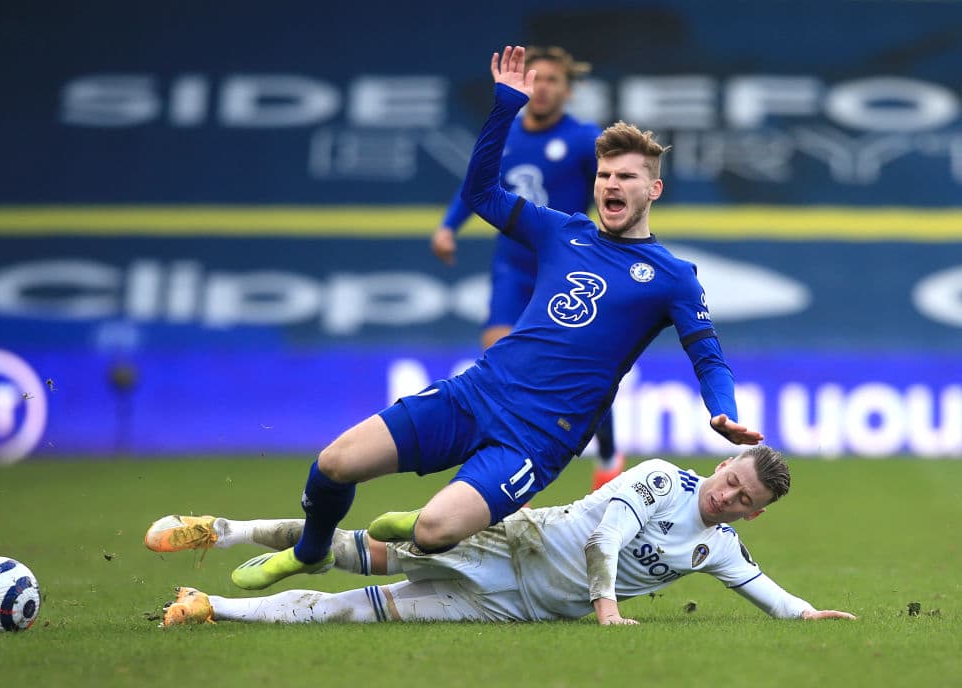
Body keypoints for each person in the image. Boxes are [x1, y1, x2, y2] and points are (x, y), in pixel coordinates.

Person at [221, 45, 763, 594]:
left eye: (626, 177)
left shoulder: (672, 275)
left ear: (654, 189)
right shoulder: (560, 230)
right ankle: (312, 552)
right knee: (335, 461)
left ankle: (425, 523)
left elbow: (708, 357)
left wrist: (722, 413)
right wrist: (505, 106)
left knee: (433, 531)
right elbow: (481, 193)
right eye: (603, 176)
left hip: (536, 437)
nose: (611, 186)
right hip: (476, 393)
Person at [146, 446, 856, 626]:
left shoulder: (721, 545)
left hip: (519, 606)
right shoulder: (665, 479)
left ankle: (210, 605)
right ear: (725, 462)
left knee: (362, 609)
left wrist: (807, 614)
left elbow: (767, 591)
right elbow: (606, 537)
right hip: (517, 541)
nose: (729, 493)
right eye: (734, 478)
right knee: (354, 550)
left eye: (744, 499)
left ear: (752, 512)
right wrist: (607, 606)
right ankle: (225, 528)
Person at [432, 46, 623, 489]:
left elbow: (614, 189)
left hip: (565, 271)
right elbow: (474, 186)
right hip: (513, 270)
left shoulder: (582, 140)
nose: (541, 88)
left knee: (581, 368)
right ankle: (507, 473)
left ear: (569, 89)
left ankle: (609, 450)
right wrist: (447, 228)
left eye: (552, 80)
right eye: (535, 78)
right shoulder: (508, 135)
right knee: (500, 361)